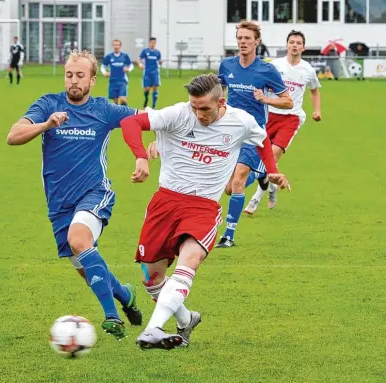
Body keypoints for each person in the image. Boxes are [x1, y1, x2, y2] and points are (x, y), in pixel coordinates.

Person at [119, 74, 290, 350]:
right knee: (151, 278)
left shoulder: (240, 120)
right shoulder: (178, 113)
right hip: (165, 202)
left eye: (205, 109)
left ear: (221, 102)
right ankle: (186, 320)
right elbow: (130, 122)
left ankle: (153, 328)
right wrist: (140, 154)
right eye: (194, 107)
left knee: (190, 262)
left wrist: (272, 171)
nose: (198, 114)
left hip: (204, 207)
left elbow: (262, 141)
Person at [6, 50, 146, 341]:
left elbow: (146, 118)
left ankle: (111, 316)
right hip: (58, 203)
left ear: (93, 80)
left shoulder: (104, 110)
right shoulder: (49, 104)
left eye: (80, 75)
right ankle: (125, 294)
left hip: (95, 192)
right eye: (69, 75)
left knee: (79, 240)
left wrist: (149, 148)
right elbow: (13, 136)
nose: (73, 81)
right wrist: (45, 125)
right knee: (85, 267)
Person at [215, 21, 293, 248]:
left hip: (254, 133)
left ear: (257, 42)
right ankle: (261, 176)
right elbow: (219, 92)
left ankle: (228, 236)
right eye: (240, 38)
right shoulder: (227, 65)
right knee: (230, 189)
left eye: (247, 38)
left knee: (238, 180)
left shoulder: (267, 70)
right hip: (229, 132)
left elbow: (287, 101)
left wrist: (266, 99)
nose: (243, 42)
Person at [245, 30, 321, 214]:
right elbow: (260, 81)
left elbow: (314, 90)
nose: (295, 45)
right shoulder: (275, 65)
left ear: (303, 47)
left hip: (291, 118)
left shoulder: (308, 70)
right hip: (269, 114)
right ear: (287, 45)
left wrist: (317, 110)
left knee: (272, 154)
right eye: (292, 42)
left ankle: (254, 201)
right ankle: (272, 190)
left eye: (298, 43)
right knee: (266, 160)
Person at [101, 40, 134, 105]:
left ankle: (126, 113)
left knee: (123, 99)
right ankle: (120, 114)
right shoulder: (109, 56)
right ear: (113, 46)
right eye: (115, 45)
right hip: (113, 81)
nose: (116, 46)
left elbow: (131, 66)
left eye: (117, 45)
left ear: (120, 46)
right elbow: (102, 66)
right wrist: (105, 73)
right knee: (115, 102)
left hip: (122, 81)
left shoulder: (125, 56)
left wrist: (128, 69)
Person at [137, 37, 162, 109]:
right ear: (149, 43)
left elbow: (159, 61)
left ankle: (154, 106)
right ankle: (146, 98)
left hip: (155, 72)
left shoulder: (157, 52)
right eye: (151, 42)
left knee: (155, 88)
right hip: (147, 72)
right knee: (147, 89)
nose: (153, 44)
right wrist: (140, 64)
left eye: (154, 43)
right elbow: (139, 59)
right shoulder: (145, 51)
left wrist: (160, 62)